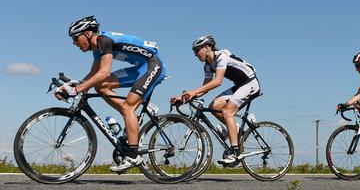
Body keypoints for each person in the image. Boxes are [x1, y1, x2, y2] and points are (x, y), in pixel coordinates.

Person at [57, 15, 166, 172]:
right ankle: (131, 115)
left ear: (88, 34)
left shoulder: (105, 41)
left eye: (75, 38)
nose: (74, 43)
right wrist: (73, 86)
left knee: (128, 106)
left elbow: (103, 72)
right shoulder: (96, 49)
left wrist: (76, 90)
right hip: (138, 68)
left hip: (153, 66)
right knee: (100, 87)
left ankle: (134, 155)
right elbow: (94, 75)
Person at [171, 35, 260, 165]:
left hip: (250, 82)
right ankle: (235, 129)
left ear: (207, 47)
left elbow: (217, 82)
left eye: (197, 50)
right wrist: (184, 98)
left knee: (228, 112)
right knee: (214, 106)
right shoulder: (208, 66)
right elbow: (205, 88)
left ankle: (235, 153)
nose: (195, 54)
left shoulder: (221, 56)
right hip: (240, 85)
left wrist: (193, 91)